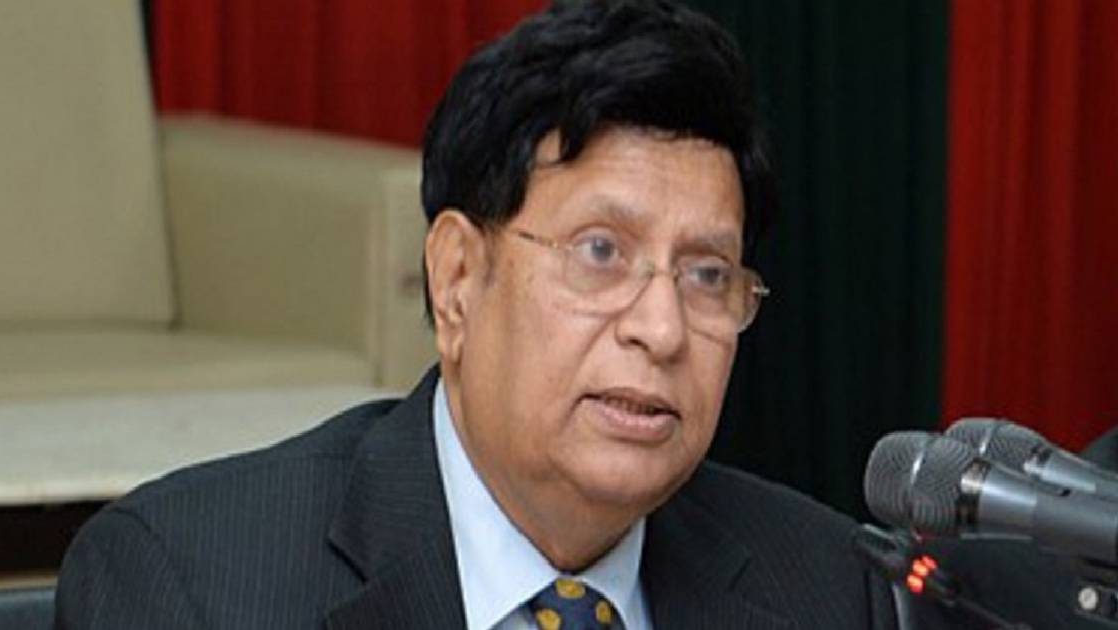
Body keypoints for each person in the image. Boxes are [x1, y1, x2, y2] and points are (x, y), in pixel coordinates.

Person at [55, 1, 902, 628]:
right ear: (456, 277)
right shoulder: (192, 585)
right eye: (601, 252)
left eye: (707, 274)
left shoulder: (828, 589)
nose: (663, 328)